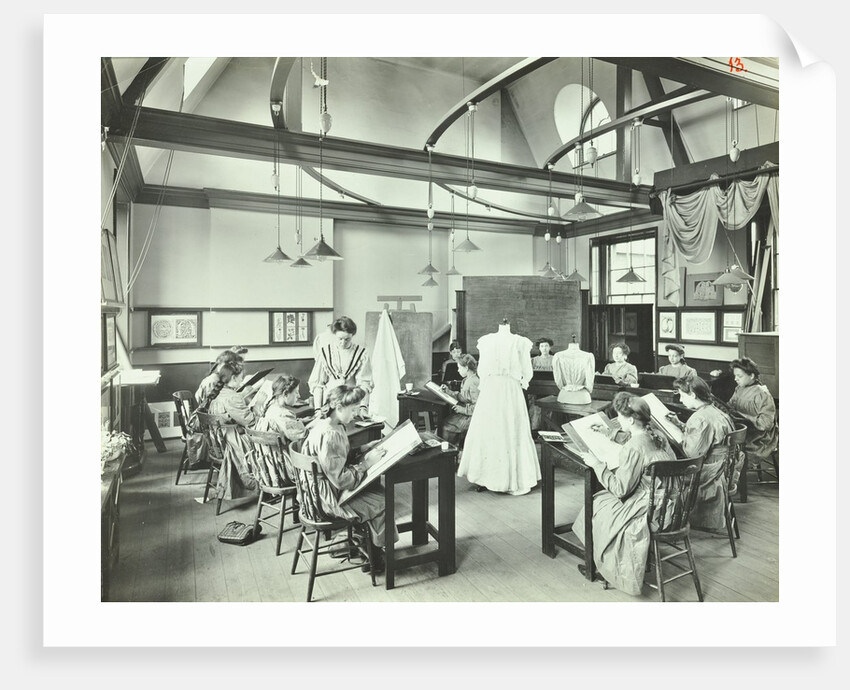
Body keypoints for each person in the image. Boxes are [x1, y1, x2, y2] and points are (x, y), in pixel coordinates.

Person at [572, 392, 676, 595]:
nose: (617, 420)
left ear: (630, 419)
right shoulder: (657, 435)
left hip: (649, 507)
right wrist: (608, 433)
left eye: (619, 416)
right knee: (601, 503)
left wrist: (597, 465)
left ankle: (604, 567)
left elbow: (621, 489)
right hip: (671, 503)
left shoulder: (633, 448)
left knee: (597, 505)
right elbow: (636, 440)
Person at [299, 385, 398, 574]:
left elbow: (334, 459)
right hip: (326, 499)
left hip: (313, 493)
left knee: (374, 493)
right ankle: (374, 559)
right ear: (339, 407)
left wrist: (363, 448)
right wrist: (366, 464)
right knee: (383, 500)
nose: (356, 414)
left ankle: (366, 548)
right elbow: (342, 481)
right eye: (353, 409)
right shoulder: (330, 434)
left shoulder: (325, 423)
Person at [458, 320, 541, 496]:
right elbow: (527, 373)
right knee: (503, 428)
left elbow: (482, 371)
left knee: (500, 429)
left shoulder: (515, 342)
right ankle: (495, 477)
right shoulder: (499, 341)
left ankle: (498, 478)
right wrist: (520, 380)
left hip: (494, 388)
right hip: (508, 389)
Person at [668, 375, 734, 530]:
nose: (681, 400)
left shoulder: (700, 418)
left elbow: (693, 455)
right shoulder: (715, 410)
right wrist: (681, 425)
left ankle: (672, 520)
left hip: (710, 471)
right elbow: (706, 434)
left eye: (682, 396)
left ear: (692, 395)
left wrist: (677, 439)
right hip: (725, 466)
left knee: (666, 474)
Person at [207, 362, 260, 501]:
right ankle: (264, 484)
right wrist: (259, 404)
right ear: (234, 378)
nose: (242, 381)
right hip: (232, 442)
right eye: (241, 378)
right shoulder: (232, 397)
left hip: (218, 442)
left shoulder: (218, 391)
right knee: (269, 440)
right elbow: (250, 421)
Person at [309, 316, 372, 418]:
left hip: (351, 403)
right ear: (335, 335)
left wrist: (363, 408)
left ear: (352, 336)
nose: (343, 343)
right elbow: (317, 384)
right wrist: (317, 410)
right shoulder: (325, 352)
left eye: (347, 339)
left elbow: (364, 383)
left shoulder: (361, 353)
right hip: (330, 404)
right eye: (340, 339)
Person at [727, 357, 778, 481]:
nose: (735, 379)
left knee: (729, 446)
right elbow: (730, 406)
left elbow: (766, 424)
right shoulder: (740, 388)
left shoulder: (762, 394)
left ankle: (730, 479)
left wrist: (742, 416)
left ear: (752, 376)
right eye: (735, 376)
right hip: (745, 430)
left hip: (760, 437)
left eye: (739, 376)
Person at [256, 374, 308, 450]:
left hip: (269, 456)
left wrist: (302, 421)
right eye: (296, 392)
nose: (299, 396)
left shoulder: (270, 407)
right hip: (285, 458)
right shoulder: (283, 414)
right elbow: (302, 438)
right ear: (285, 394)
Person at [440, 354, 480, 446]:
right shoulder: (467, 379)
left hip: (470, 417)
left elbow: (478, 406)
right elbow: (463, 397)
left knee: (446, 426)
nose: (458, 370)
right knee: (446, 421)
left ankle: (448, 451)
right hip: (466, 413)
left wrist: (462, 409)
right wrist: (448, 391)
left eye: (459, 368)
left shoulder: (474, 382)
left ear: (466, 368)